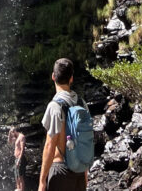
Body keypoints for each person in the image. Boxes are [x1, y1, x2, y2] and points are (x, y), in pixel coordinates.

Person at [38, 58, 86, 191]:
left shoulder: (55, 106)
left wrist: (42, 182)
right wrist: (85, 174)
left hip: (60, 170)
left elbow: (50, 144)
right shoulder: (82, 104)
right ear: (71, 78)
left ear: (53, 76)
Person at [9, 126, 27, 191]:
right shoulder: (16, 137)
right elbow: (9, 141)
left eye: (12, 133)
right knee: (16, 177)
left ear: (15, 131)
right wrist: (9, 134)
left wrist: (19, 160)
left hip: (20, 159)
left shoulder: (21, 137)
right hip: (16, 158)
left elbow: (22, 149)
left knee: (20, 177)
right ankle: (18, 189)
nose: (12, 134)